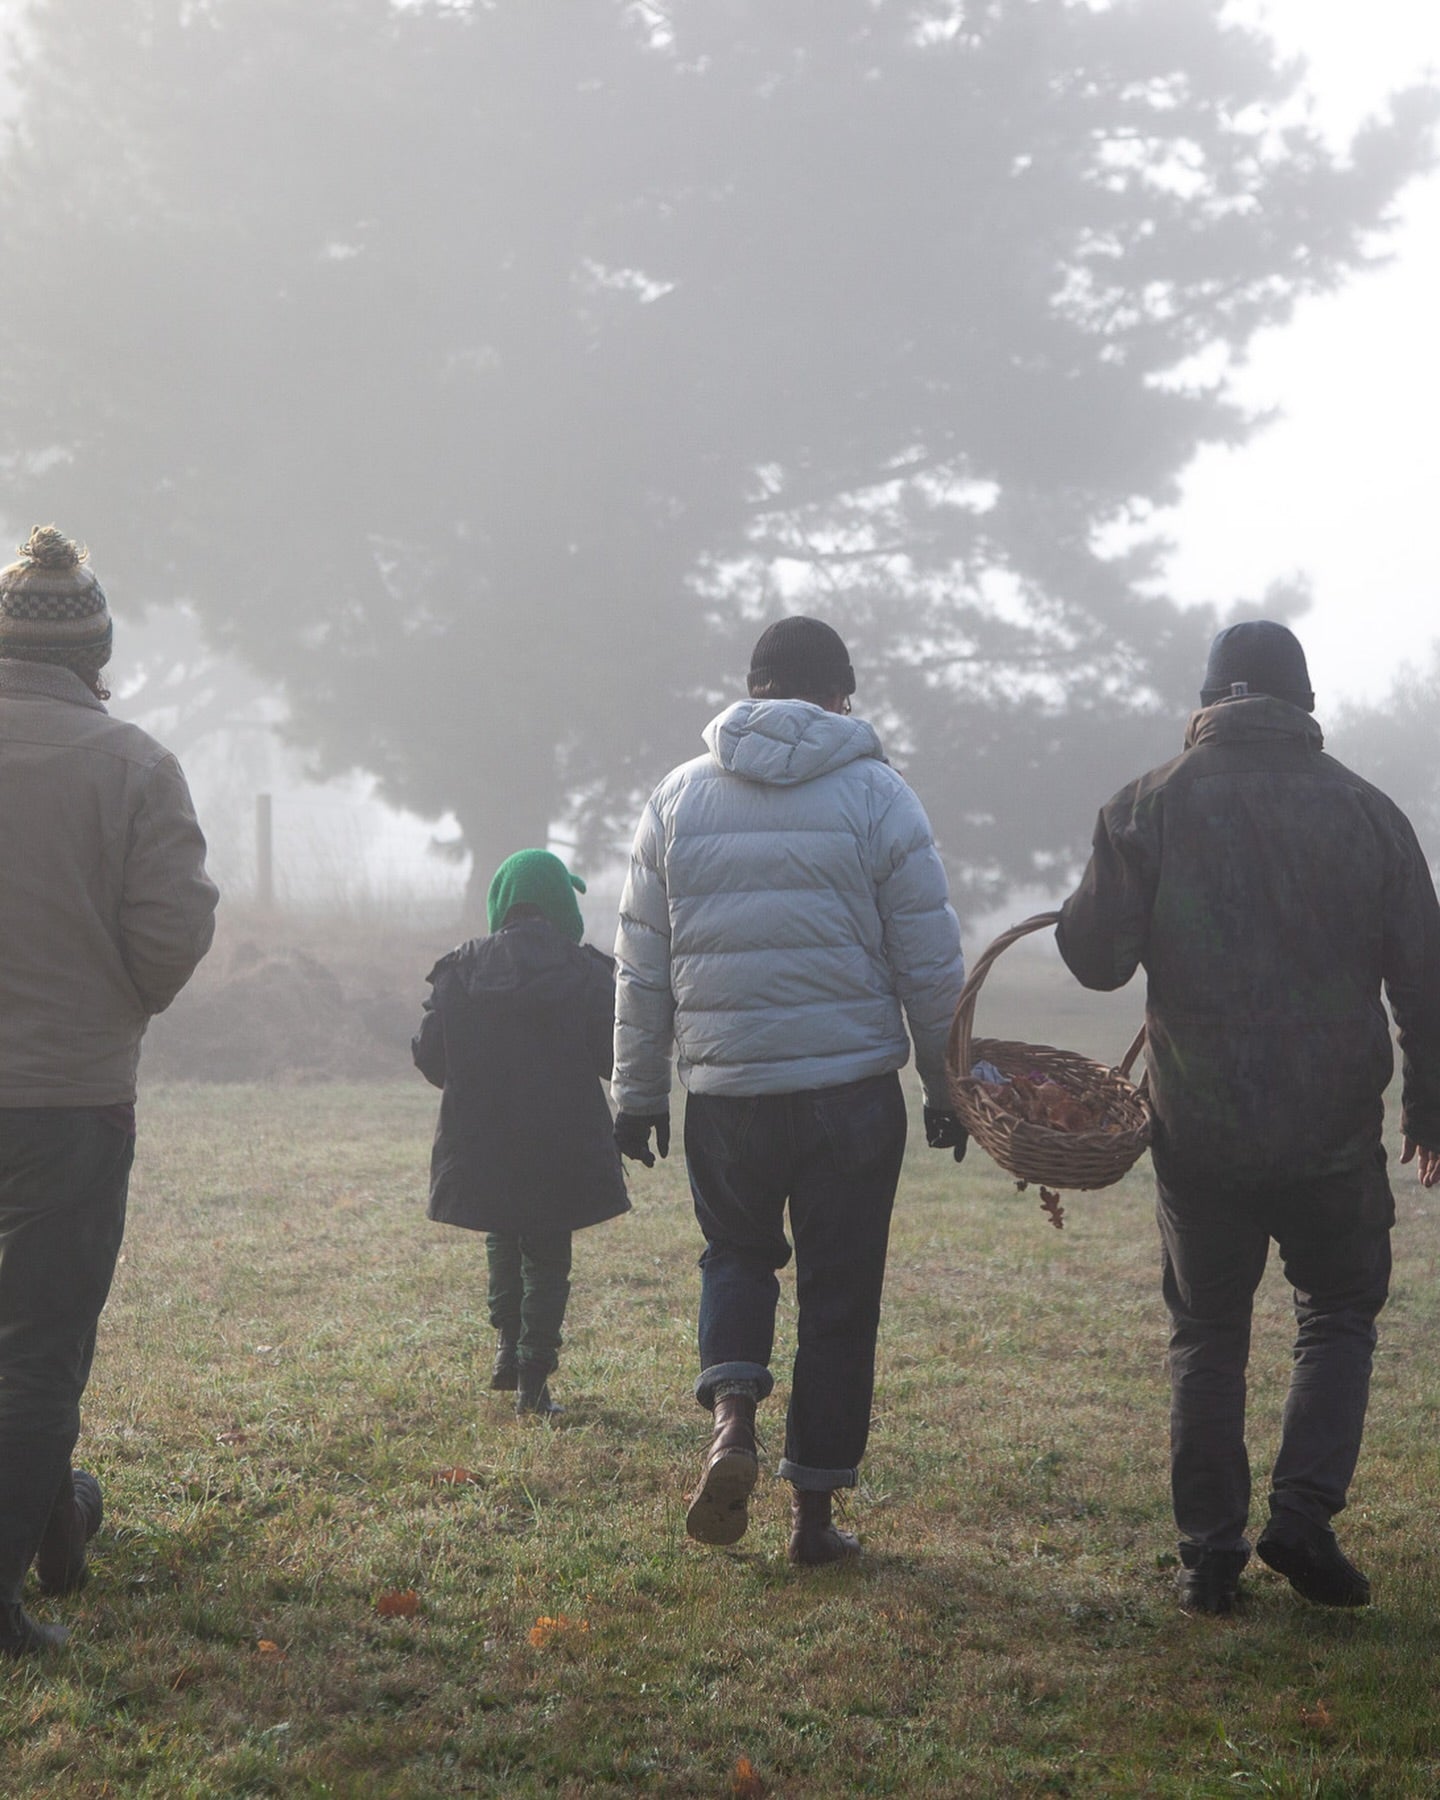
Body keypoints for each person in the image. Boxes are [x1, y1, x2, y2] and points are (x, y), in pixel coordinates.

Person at [1056, 619, 1440, 1616]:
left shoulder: (1147, 806)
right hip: (1333, 1131)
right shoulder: (1369, 812)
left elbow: (1095, 959)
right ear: (1304, 704)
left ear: (1210, 700)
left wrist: (1089, 898)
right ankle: (1303, 1515)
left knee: (1209, 1334)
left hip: (1202, 1127)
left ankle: (1209, 1558)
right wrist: (1431, 1108)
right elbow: (1428, 984)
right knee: (1339, 1314)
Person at [611, 616, 967, 1564]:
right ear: (840, 697)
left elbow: (641, 965)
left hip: (727, 1091)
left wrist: (638, 1092)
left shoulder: (678, 798)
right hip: (850, 1090)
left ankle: (732, 1418)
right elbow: (930, 966)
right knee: (841, 1296)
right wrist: (948, 1084)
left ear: (753, 689)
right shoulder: (880, 796)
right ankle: (813, 1519)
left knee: (736, 1254)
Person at [0, 525, 218, 1657]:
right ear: (98, 653)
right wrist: (114, 999)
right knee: (38, 1339)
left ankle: (58, 1527)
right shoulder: (134, 764)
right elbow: (172, 935)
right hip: (68, 1098)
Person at [412, 849, 630, 1416]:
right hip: (561, 1141)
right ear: (560, 903)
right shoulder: (585, 972)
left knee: (502, 1232)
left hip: (483, 1140)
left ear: (501, 902)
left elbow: (431, 1055)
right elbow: (614, 1057)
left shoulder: (462, 968)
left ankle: (507, 1347)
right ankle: (534, 1377)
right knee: (549, 1252)